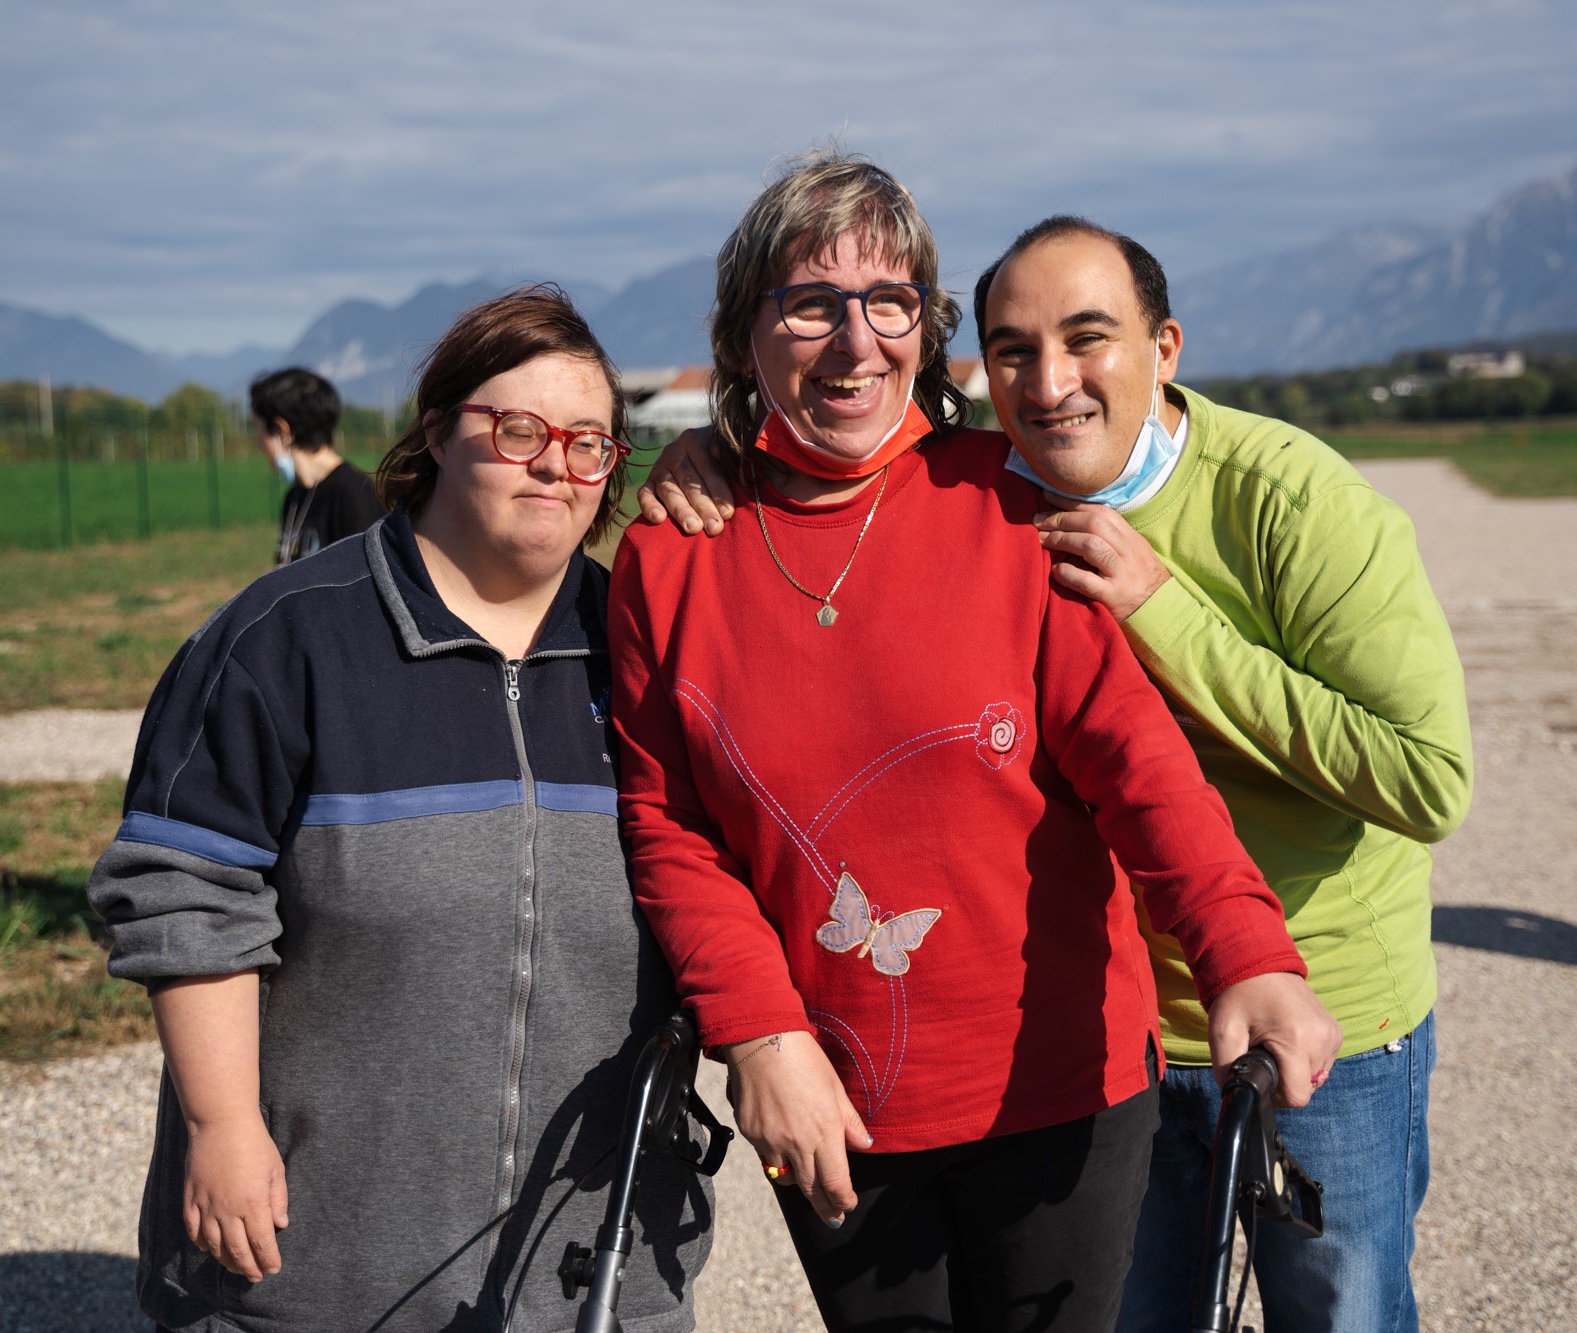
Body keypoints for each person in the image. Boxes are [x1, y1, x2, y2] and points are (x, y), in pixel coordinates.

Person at [641, 213, 1474, 1331]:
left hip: (1271, 1005)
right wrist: (754, 1028)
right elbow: (672, 818)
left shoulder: (1207, 498)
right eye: (806, 303)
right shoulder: (711, 537)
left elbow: (1153, 766)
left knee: (1339, 1308)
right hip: (922, 1066)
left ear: (1163, 348)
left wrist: (1246, 943)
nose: (1052, 382)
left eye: (885, 303)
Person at [89, 287, 710, 1332]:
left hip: (590, 1269)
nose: (555, 462)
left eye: (590, 441)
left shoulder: (648, 643)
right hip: (321, 1261)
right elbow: (182, 888)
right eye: (517, 429)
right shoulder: (287, 639)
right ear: (435, 429)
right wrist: (223, 1122)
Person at [250, 366, 386, 565]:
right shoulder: (295, 497)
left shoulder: (355, 495)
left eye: (257, 428)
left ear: (282, 430)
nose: (257, 441)